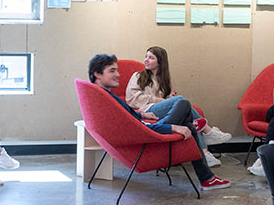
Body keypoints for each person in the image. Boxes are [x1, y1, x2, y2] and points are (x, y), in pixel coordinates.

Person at [89, 53, 229, 190]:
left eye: (117, 70)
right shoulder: (108, 100)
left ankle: (207, 178)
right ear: (97, 74)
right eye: (112, 71)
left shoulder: (103, 97)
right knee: (183, 103)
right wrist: (171, 128)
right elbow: (139, 129)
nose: (118, 75)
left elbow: (129, 120)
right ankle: (206, 142)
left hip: (146, 127)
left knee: (188, 126)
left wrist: (141, 114)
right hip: (146, 139)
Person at [126, 47, 231, 166]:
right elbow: (132, 99)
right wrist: (159, 100)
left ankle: (204, 154)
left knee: (186, 116)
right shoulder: (138, 76)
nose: (146, 60)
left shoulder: (165, 79)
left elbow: (167, 99)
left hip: (163, 111)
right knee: (182, 101)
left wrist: (170, 97)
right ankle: (207, 131)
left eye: (151, 58)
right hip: (147, 110)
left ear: (160, 61)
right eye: (146, 56)